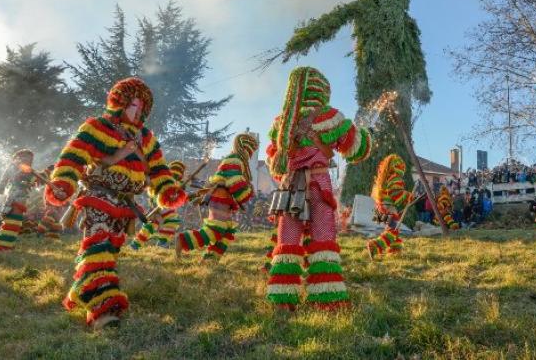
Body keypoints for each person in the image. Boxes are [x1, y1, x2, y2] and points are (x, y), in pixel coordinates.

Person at [44, 77, 187, 329]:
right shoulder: (96, 127)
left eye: (142, 107)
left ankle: (79, 293)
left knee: (108, 251)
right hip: (98, 197)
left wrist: (168, 190)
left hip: (126, 206)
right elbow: (72, 158)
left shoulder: (147, 138)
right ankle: (103, 307)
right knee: (98, 247)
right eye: (133, 105)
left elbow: (159, 170)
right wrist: (64, 183)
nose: (138, 111)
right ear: (119, 102)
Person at [264, 67, 371, 311]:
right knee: (323, 237)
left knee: (287, 239)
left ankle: (282, 300)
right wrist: (367, 134)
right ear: (321, 90)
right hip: (318, 185)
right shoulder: (329, 116)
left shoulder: (281, 122)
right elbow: (357, 149)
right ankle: (326, 299)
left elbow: (273, 161)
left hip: (290, 186)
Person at [175, 133, 258, 260]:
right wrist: (248, 192)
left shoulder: (236, 160)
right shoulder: (234, 159)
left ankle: (211, 258)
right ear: (245, 148)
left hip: (223, 200)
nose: (250, 154)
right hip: (220, 198)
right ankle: (182, 240)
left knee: (225, 232)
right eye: (250, 150)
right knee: (215, 231)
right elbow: (235, 183)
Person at [0, 149, 43, 251]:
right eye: (27, 158)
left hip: (12, 198)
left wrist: (38, 176)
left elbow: (0, 188)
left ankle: (6, 245)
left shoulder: (15, 168)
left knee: (13, 222)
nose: (29, 160)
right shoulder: (21, 169)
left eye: (30, 159)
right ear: (20, 157)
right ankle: (4, 247)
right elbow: (33, 182)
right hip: (17, 198)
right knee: (13, 222)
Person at [129, 160, 186, 250]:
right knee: (157, 224)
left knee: (156, 225)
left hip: (164, 209)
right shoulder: (165, 181)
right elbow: (154, 193)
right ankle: (142, 243)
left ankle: (140, 244)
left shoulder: (171, 182)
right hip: (159, 207)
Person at [366, 154, 414, 259]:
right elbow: (395, 194)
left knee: (392, 229)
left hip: (380, 209)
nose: (403, 170)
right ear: (399, 166)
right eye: (402, 167)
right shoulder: (395, 177)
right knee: (393, 231)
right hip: (388, 209)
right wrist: (408, 196)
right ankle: (375, 246)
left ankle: (395, 250)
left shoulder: (385, 177)